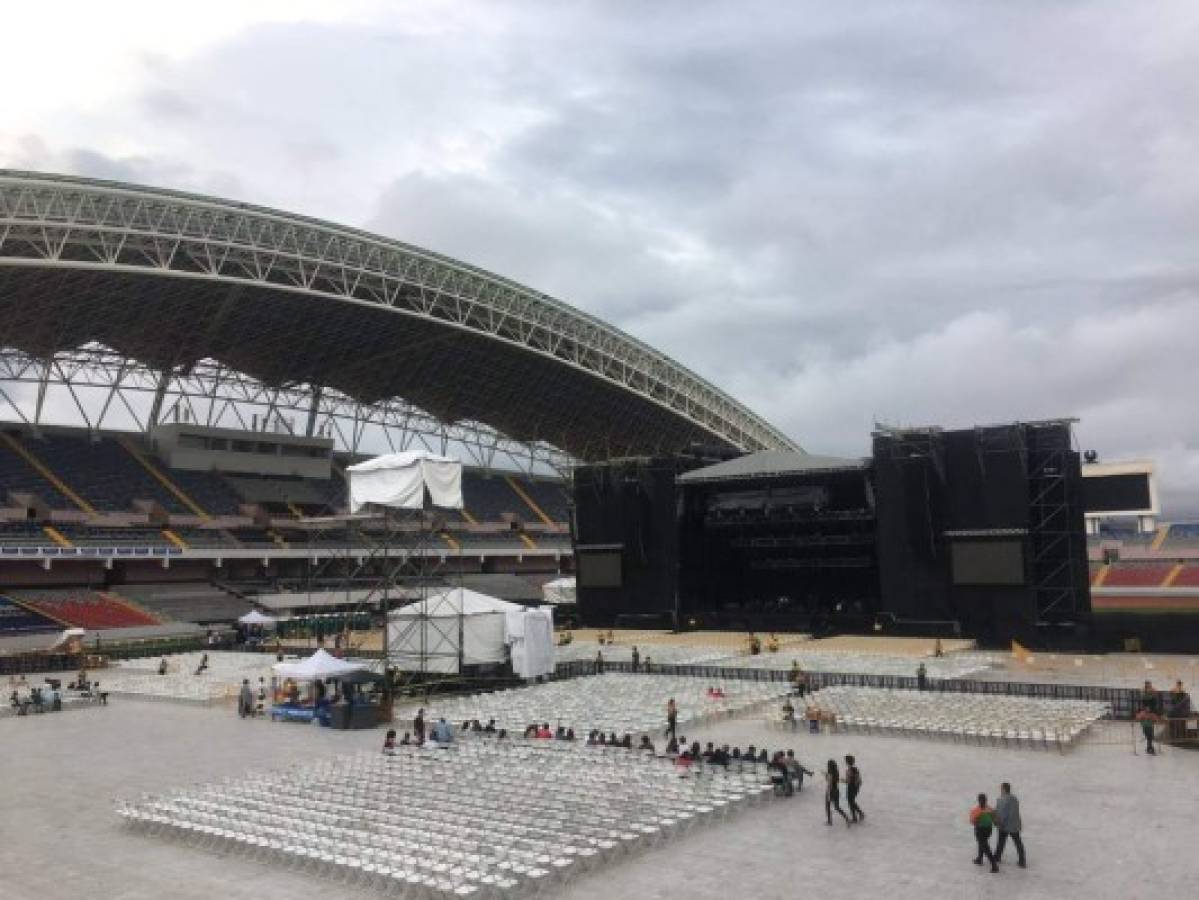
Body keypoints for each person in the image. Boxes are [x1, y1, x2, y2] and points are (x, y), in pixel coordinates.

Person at [994, 782, 1026, 868]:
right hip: (1014, 825)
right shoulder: (1014, 798)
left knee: (1001, 842)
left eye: (1001, 788)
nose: (1000, 790)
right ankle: (1022, 860)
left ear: (1004, 789)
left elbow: (1001, 813)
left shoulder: (1001, 799)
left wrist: (998, 821)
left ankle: (997, 857)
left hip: (1004, 825)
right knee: (1017, 842)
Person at [970, 793, 1000, 873]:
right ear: (986, 800)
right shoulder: (989, 809)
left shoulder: (976, 810)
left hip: (980, 830)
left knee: (984, 846)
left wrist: (977, 820)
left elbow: (973, 821)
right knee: (982, 844)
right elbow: (995, 820)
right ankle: (979, 858)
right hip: (988, 830)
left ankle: (994, 865)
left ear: (979, 801)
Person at [824, 760, 851, 826]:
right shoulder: (836, 772)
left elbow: (829, 783)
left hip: (831, 791)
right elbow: (835, 780)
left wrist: (828, 793)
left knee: (827, 806)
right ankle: (847, 818)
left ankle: (829, 821)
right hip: (836, 790)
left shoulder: (830, 773)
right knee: (837, 807)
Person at [1138, 681, 1161, 754]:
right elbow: (1139, 718)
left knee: (1150, 736)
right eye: (1147, 684)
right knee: (1149, 736)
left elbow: (1154, 698)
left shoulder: (1152, 693)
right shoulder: (1143, 712)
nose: (1148, 686)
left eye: (1149, 684)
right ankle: (1150, 747)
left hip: (1149, 723)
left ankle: (1150, 748)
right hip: (1145, 724)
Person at [844, 755, 865, 822]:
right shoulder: (856, 769)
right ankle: (859, 814)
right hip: (855, 788)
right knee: (852, 801)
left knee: (850, 802)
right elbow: (859, 780)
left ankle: (855, 816)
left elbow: (848, 781)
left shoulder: (849, 770)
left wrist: (840, 780)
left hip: (851, 788)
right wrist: (857, 786)